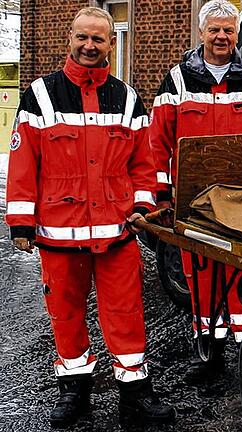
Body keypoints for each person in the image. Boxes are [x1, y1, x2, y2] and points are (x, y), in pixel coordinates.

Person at [4, 7, 175, 428]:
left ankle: (134, 391)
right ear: (69, 38)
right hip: (59, 232)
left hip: (118, 231)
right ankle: (74, 390)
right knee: (65, 312)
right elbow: (23, 162)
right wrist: (21, 222)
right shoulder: (40, 95)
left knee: (127, 312)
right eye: (82, 37)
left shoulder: (128, 97)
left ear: (110, 44)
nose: (89, 46)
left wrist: (140, 206)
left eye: (98, 39)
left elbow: (144, 163)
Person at [149, 0, 242, 384]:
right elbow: (157, 144)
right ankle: (208, 355)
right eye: (214, 30)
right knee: (200, 275)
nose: (221, 36)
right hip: (195, 200)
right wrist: (161, 195)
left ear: (237, 34)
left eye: (229, 29)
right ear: (201, 33)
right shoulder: (176, 81)